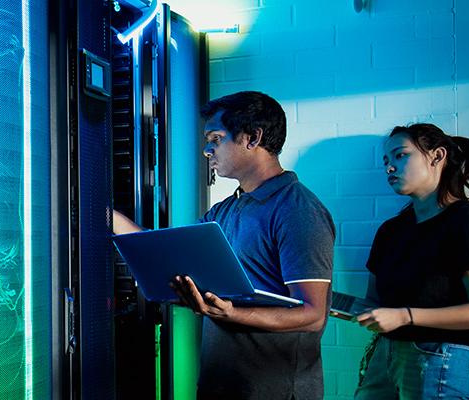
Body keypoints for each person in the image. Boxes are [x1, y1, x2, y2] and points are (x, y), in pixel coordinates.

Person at [113, 91, 334, 399]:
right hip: (222, 385)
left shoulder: (297, 210)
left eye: (215, 139)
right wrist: (103, 212)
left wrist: (230, 314)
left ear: (252, 138)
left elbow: (312, 315)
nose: (206, 150)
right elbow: (160, 250)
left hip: (273, 391)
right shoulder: (225, 210)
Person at [352, 123, 469, 400]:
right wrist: (331, 304)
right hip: (386, 356)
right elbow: (373, 301)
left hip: (442, 357)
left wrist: (405, 316)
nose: (389, 167)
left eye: (400, 156)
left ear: (437, 156)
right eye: (386, 161)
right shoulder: (390, 231)